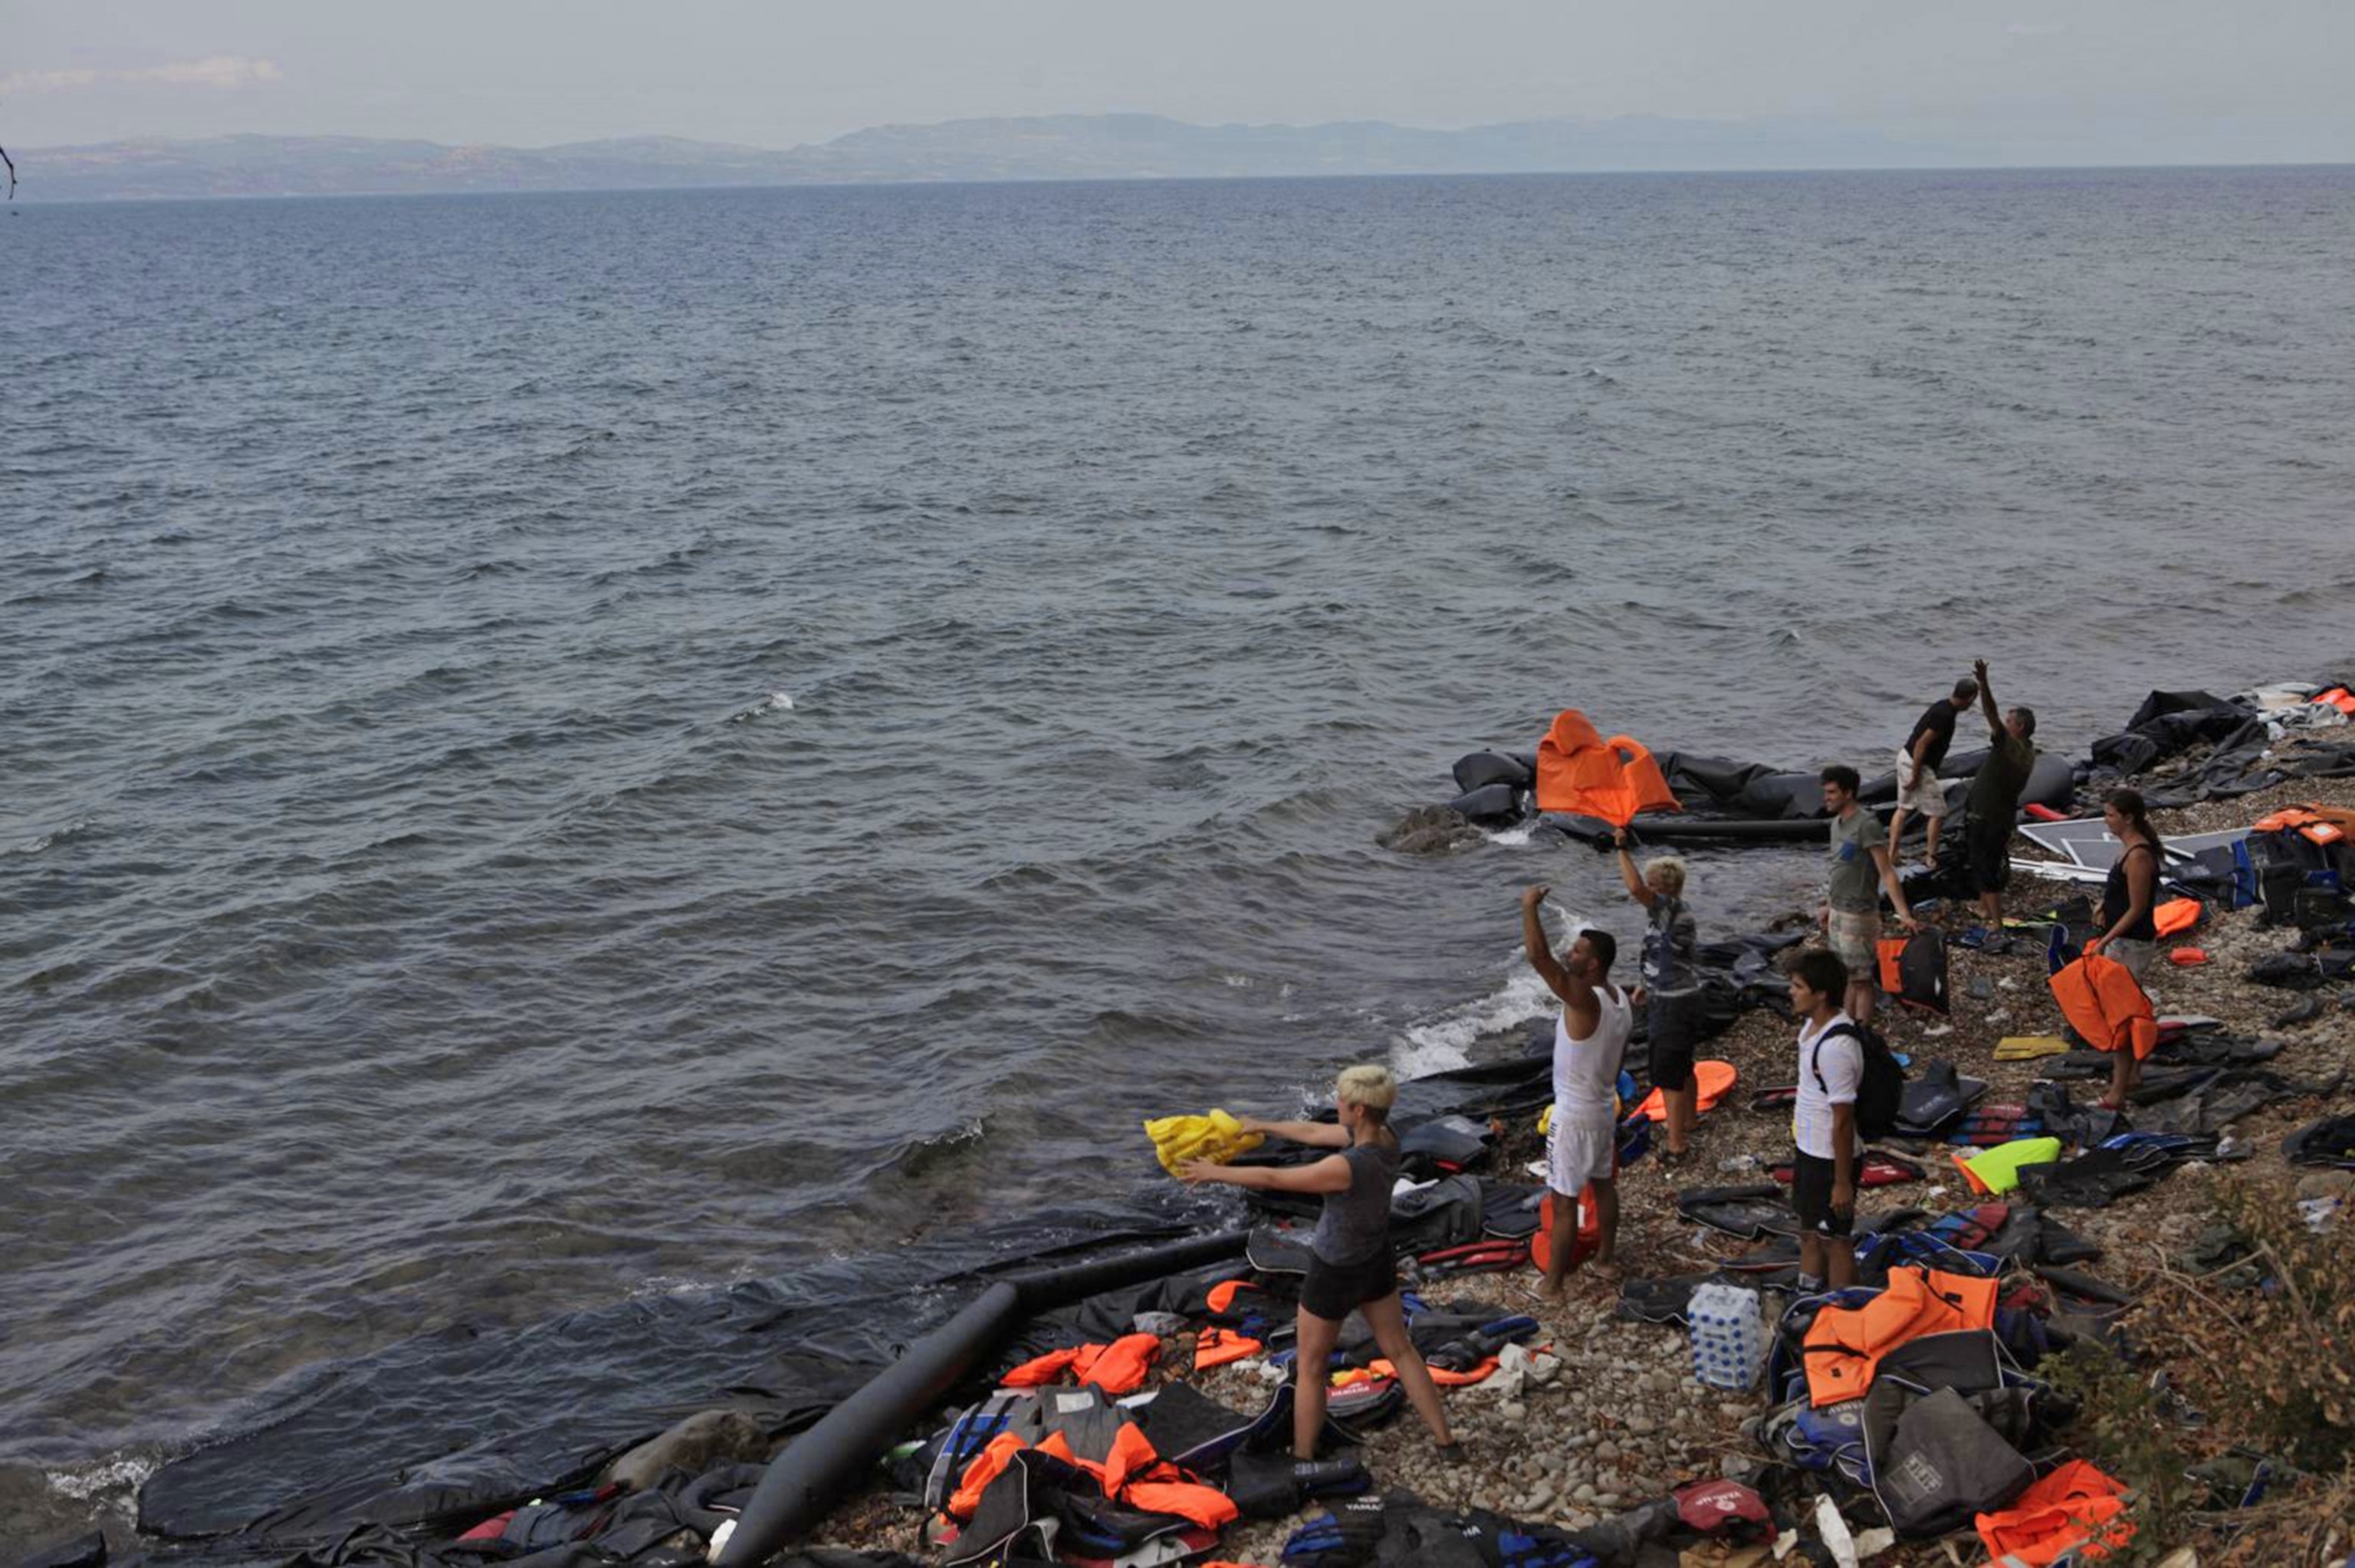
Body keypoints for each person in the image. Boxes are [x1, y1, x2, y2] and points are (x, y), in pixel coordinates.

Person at [1178, 1066, 1460, 1462]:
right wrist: (1262, 1125)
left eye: (1341, 1101)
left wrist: (1214, 1173)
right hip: (1376, 1257)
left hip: (1335, 1270)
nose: (1336, 1105)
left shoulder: (1344, 1168)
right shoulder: (1386, 1137)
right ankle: (1447, 1442)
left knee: (1311, 1367)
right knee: (1401, 1350)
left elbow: (1275, 1179)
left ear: (1359, 1110)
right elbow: (1312, 1133)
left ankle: (1305, 1460)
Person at [1519, 886, 1632, 1297]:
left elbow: (1538, 958)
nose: (1572, 954)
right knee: (1603, 1186)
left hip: (1574, 1113)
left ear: (1594, 963)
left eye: (1579, 952)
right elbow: (1618, 1060)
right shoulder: (1621, 999)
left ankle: (1552, 1285)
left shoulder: (1585, 999)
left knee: (1564, 1200)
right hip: (1603, 1107)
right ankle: (1605, 1260)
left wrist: (1528, 907)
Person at [1613, 826, 1700, 1163]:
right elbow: (1664, 954)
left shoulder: (1669, 908)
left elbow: (1634, 887)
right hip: (1679, 995)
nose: (1645, 891)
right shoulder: (1672, 914)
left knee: (1668, 1073)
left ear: (1664, 888)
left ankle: (1676, 1144)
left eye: (1652, 885)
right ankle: (1689, 1120)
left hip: (1675, 1004)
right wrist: (1644, 985)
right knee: (1683, 1064)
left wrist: (1620, 848)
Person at [1820, 765, 1920, 1028]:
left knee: (1862, 979)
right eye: (1826, 792)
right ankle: (1847, 1026)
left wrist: (1905, 914)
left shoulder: (1866, 825)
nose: (1826, 798)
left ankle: (1861, 1033)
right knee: (1847, 975)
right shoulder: (1836, 825)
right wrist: (1828, 905)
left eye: (1831, 792)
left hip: (1860, 914)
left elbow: (1886, 871)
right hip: (1838, 911)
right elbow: (1839, 868)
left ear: (1848, 792)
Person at [1787, 949, 1860, 1292]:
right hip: (1809, 1148)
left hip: (1830, 1159)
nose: (1791, 992)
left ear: (1821, 994)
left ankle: (1842, 1308)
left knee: (1837, 1240)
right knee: (1809, 1231)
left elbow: (1843, 1121)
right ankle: (1808, 1294)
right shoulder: (1812, 1027)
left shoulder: (1837, 1047)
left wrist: (1842, 1181)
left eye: (1798, 986)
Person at [2086, 787, 2163, 1109]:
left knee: (2122, 1016)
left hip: (2131, 943)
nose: (2107, 821)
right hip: (2122, 938)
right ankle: (2132, 1074)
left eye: (2111, 815)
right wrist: (2105, 903)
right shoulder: (2127, 851)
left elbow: (2137, 908)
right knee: (2126, 1011)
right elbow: (2121, 896)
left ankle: (2118, 1091)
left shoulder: (2139, 855)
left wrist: (2104, 941)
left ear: (2128, 818)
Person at [1961, 658, 2038, 925]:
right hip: (2002, 816)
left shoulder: (2009, 746)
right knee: (1988, 861)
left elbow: (1990, 713)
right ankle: (1984, 908)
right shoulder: (2028, 751)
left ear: (2018, 728)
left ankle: (1996, 922)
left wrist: (1983, 683)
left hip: (1986, 815)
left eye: (2009, 721)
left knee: (1985, 868)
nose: (2004, 724)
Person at [1887, 677, 1979, 867]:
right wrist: (1915, 775)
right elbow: (1922, 744)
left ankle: (1892, 854)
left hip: (1906, 757)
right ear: (1970, 698)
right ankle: (1931, 857)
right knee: (1937, 813)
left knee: (1903, 809)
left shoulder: (1943, 707)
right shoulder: (1944, 715)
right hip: (1916, 764)